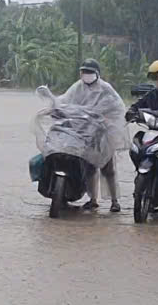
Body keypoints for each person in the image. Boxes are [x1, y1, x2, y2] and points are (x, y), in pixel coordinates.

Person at [41, 59, 128, 212]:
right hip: (84, 131)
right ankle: (93, 200)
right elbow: (65, 101)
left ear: (97, 74)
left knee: (108, 168)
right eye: (84, 72)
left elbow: (118, 108)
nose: (86, 75)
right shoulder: (77, 87)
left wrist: (107, 121)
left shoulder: (106, 89)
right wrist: (53, 106)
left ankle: (115, 201)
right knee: (89, 166)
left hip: (102, 133)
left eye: (90, 72)